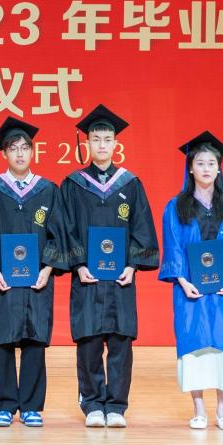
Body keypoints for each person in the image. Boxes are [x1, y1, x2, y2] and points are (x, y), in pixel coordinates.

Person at [61, 105, 159, 428]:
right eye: (96, 139)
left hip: (120, 280)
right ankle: (92, 404)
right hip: (88, 277)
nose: (102, 145)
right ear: (87, 143)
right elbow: (65, 229)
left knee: (120, 342)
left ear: (116, 143)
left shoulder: (130, 184)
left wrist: (132, 265)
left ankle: (116, 405)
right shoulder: (74, 185)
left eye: (107, 139)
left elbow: (142, 229)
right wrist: (78, 264)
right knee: (89, 341)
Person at [0, 117, 72, 428]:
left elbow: (59, 234)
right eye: (13, 148)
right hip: (1, 278)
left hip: (36, 279)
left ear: (32, 152)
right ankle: (3, 405)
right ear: (4, 153)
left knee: (34, 339)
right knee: (2, 340)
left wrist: (48, 268)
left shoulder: (48, 190)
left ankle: (31, 405)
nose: (19, 153)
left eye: (25, 148)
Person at [158, 131, 223, 430]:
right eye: (200, 163)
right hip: (191, 289)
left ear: (219, 168)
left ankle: (222, 410)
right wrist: (182, 281)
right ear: (190, 168)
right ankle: (198, 408)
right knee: (194, 344)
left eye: (212, 163)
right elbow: (173, 247)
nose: (206, 168)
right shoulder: (176, 207)